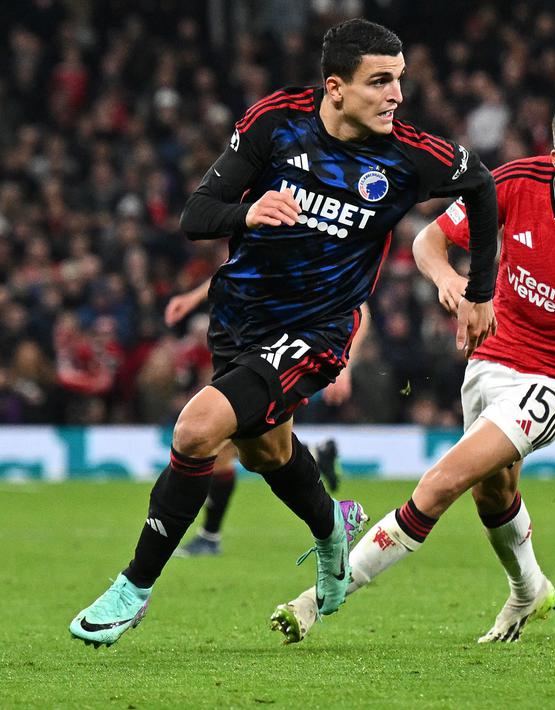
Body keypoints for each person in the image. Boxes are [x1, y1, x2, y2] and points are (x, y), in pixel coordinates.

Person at [69, 18, 499, 647]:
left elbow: (482, 185)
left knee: (197, 429)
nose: (396, 96)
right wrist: (248, 210)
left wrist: (480, 292)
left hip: (319, 330)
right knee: (263, 452)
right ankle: (331, 531)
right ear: (335, 87)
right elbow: (196, 214)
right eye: (380, 81)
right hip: (240, 318)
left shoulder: (408, 154)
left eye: (399, 80)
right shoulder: (276, 123)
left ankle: (132, 589)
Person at [269, 98, 555, 644]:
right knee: (493, 493)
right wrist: (449, 281)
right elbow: (427, 241)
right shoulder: (513, 183)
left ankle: (318, 599)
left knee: (442, 483)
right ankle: (530, 589)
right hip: (492, 357)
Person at [162, 280, 357, 557]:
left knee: (230, 448)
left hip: (279, 356)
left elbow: (358, 309)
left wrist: (346, 364)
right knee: (258, 451)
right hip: (251, 345)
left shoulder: (329, 259)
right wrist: (194, 297)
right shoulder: (270, 250)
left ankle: (209, 537)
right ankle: (317, 459)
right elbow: (239, 265)